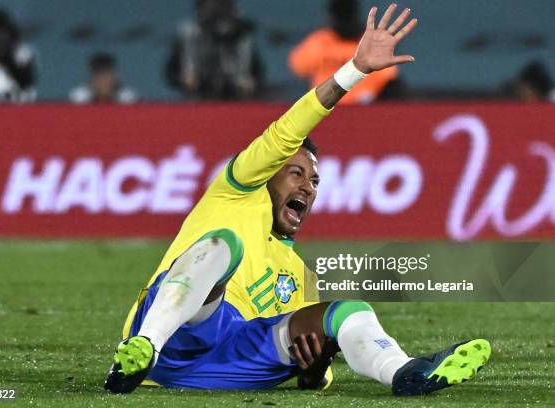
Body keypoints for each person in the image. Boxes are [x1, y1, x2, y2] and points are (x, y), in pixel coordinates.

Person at [105, 5, 491, 395]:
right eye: (296, 173)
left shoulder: (299, 274)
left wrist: (315, 369)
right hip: (177, 339)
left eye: (315, 180)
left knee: (348, 311)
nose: (308, 187)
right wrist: (354, 70)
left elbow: (314, 377)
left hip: (231, 363)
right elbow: (287, 130)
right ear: (267, 175)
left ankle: (404, 372)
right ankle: (144, 348)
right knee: (224, 245)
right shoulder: (235, 193)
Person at [289, 0, 399, 104]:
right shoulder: (318, 42)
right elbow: (298, 67)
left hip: (364, 111)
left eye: (348, 17)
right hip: (324, 110)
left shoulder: (371, 43)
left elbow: (388, 79)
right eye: (340, 18)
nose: (344, 23)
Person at [165, 0, 263, 100]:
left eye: (224, 5)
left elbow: (256, 72)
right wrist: (183, 80)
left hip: (236, 100)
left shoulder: (243, 36)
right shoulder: (187, 35)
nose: (218, 10)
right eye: (212, 5)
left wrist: (251, 82)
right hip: (198, 100)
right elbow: (171, 72)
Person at [69, 53, 138, 104]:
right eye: (99, 77)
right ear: (91, 79)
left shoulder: (127, 97)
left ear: (115, 77)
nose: (103, 81)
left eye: (107, 76)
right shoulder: (79, 97)